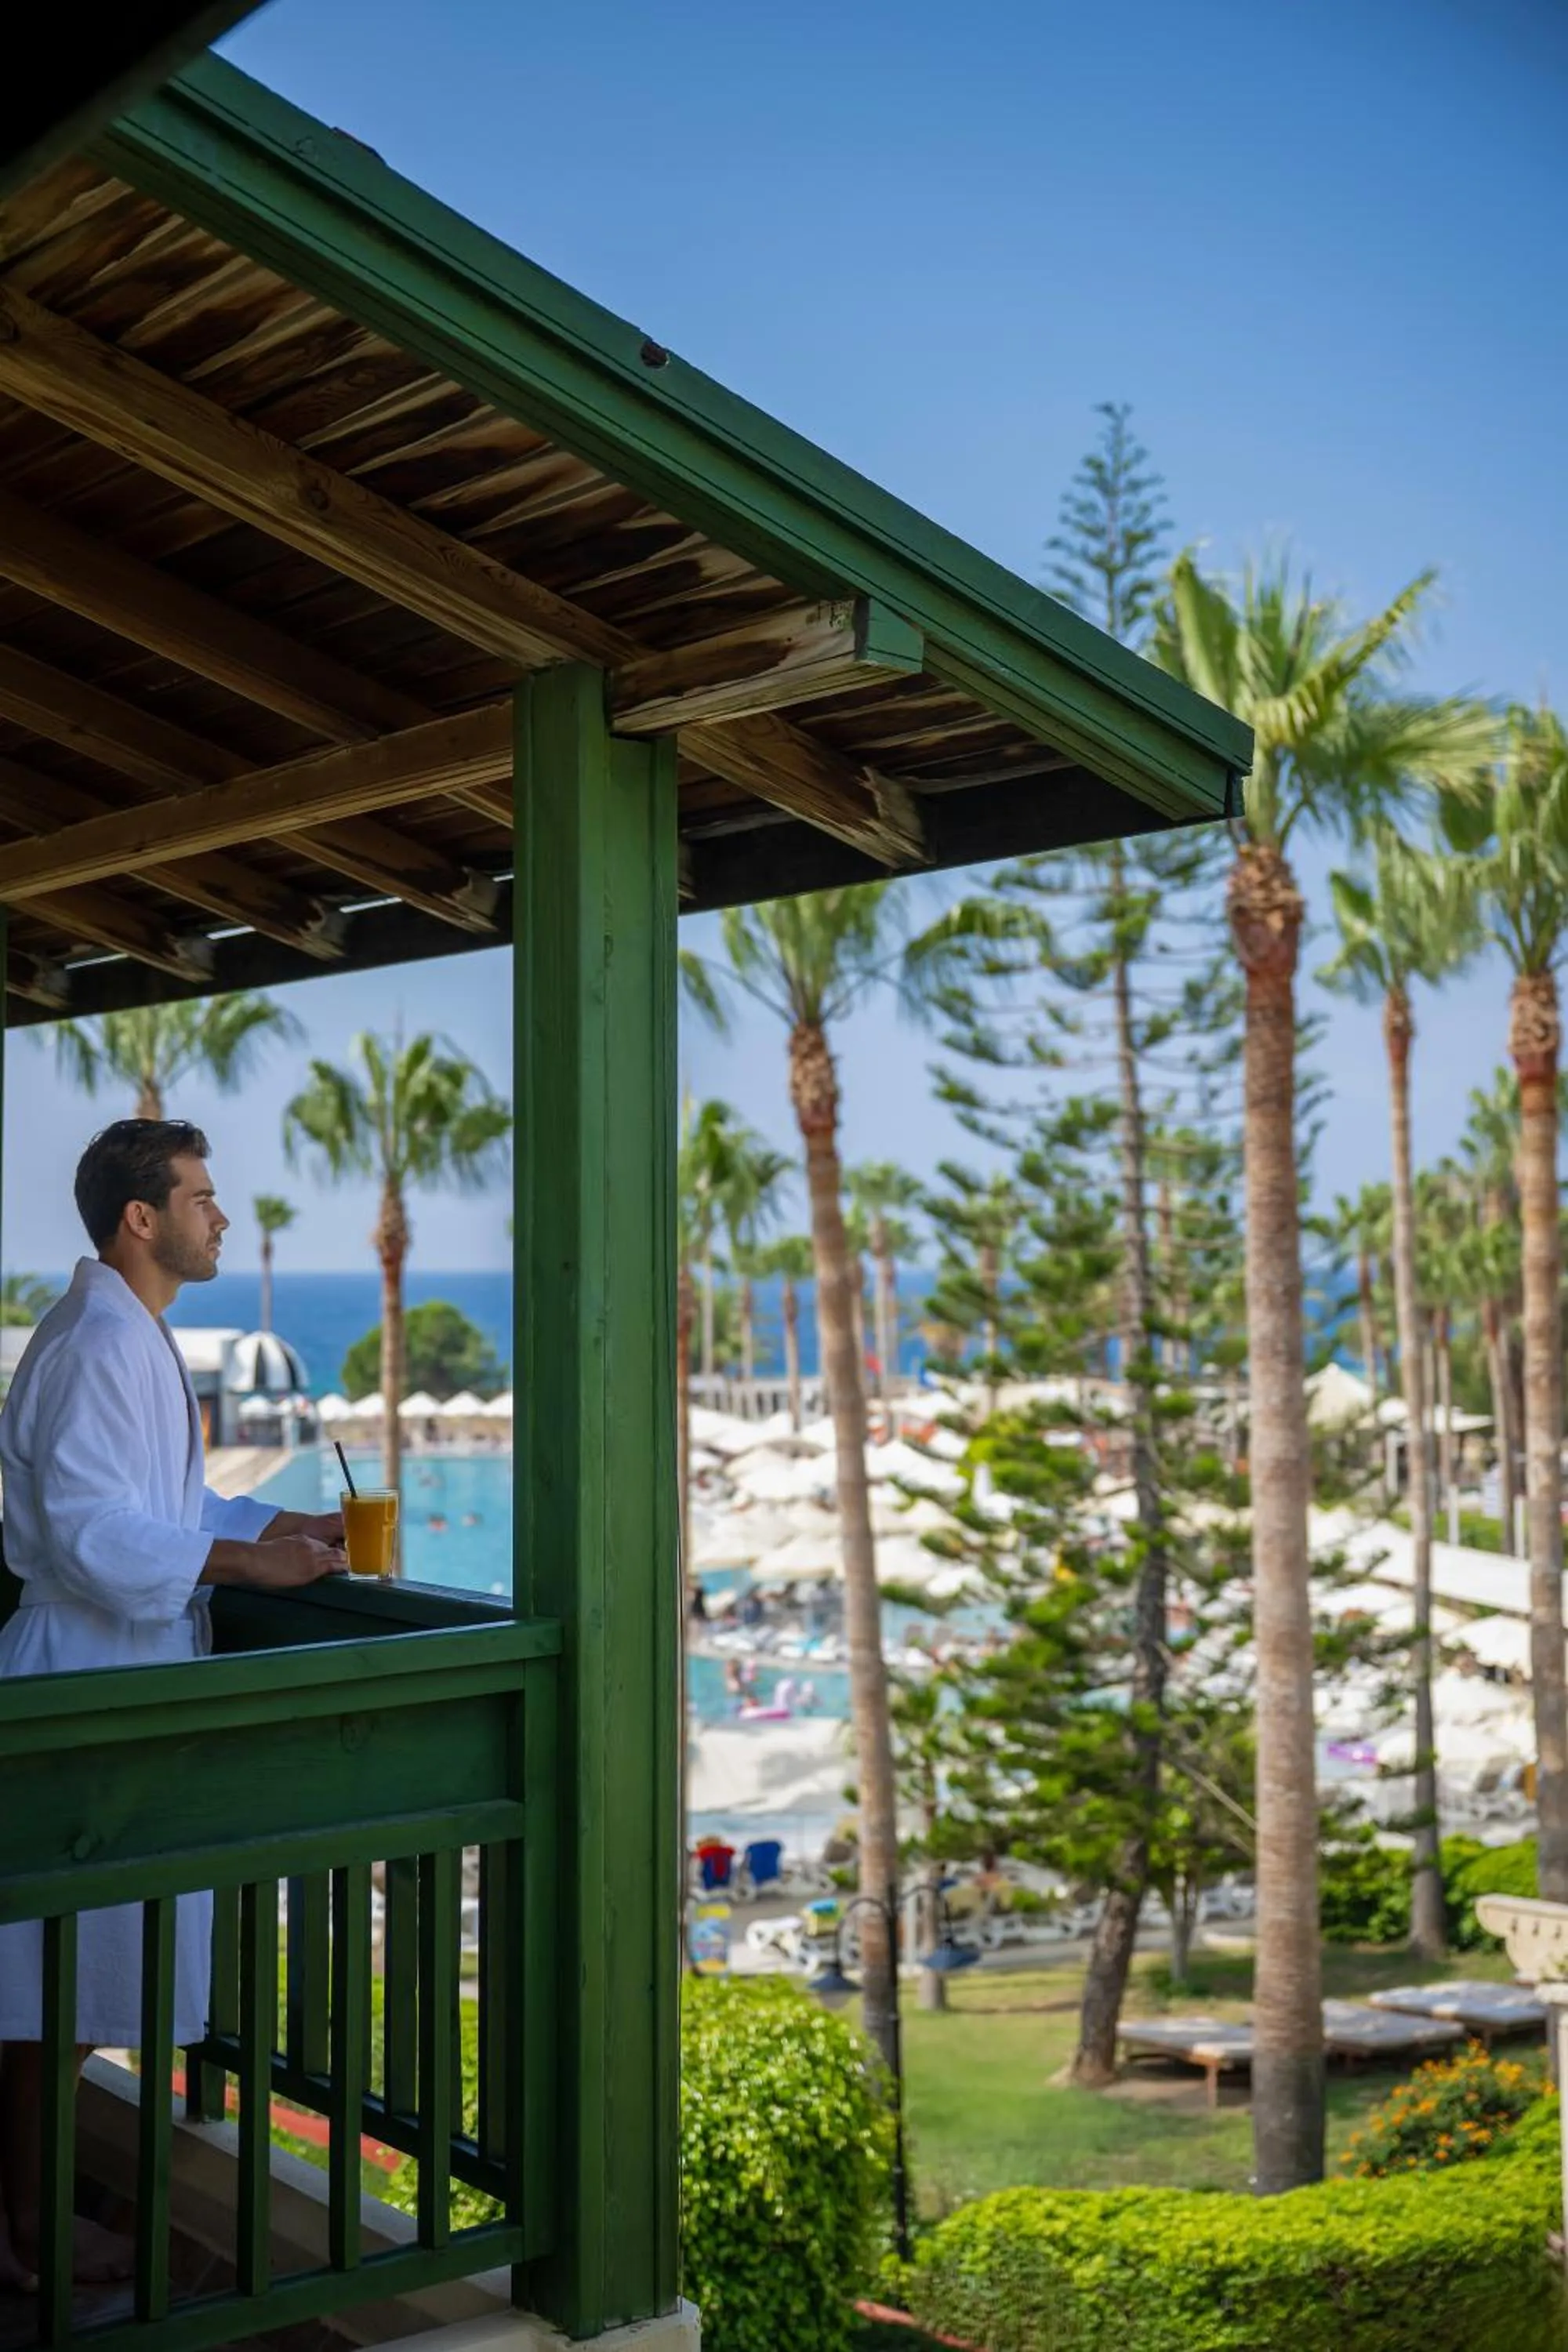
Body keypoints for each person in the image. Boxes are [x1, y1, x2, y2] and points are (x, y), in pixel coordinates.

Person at [0, 1122, 348, 2293]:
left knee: (67, 1983)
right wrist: (251, 1571)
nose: (221, 1215)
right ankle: (34, 2241)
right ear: (140, 1219)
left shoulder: (125, 1331)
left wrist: (276, 1527)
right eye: (201, 1196)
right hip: (83, 1684)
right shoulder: (101, 1340)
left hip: (117, 1677)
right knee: (51, 1990)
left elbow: (170, 1499)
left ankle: (27, 2227)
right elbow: (99, 1533)